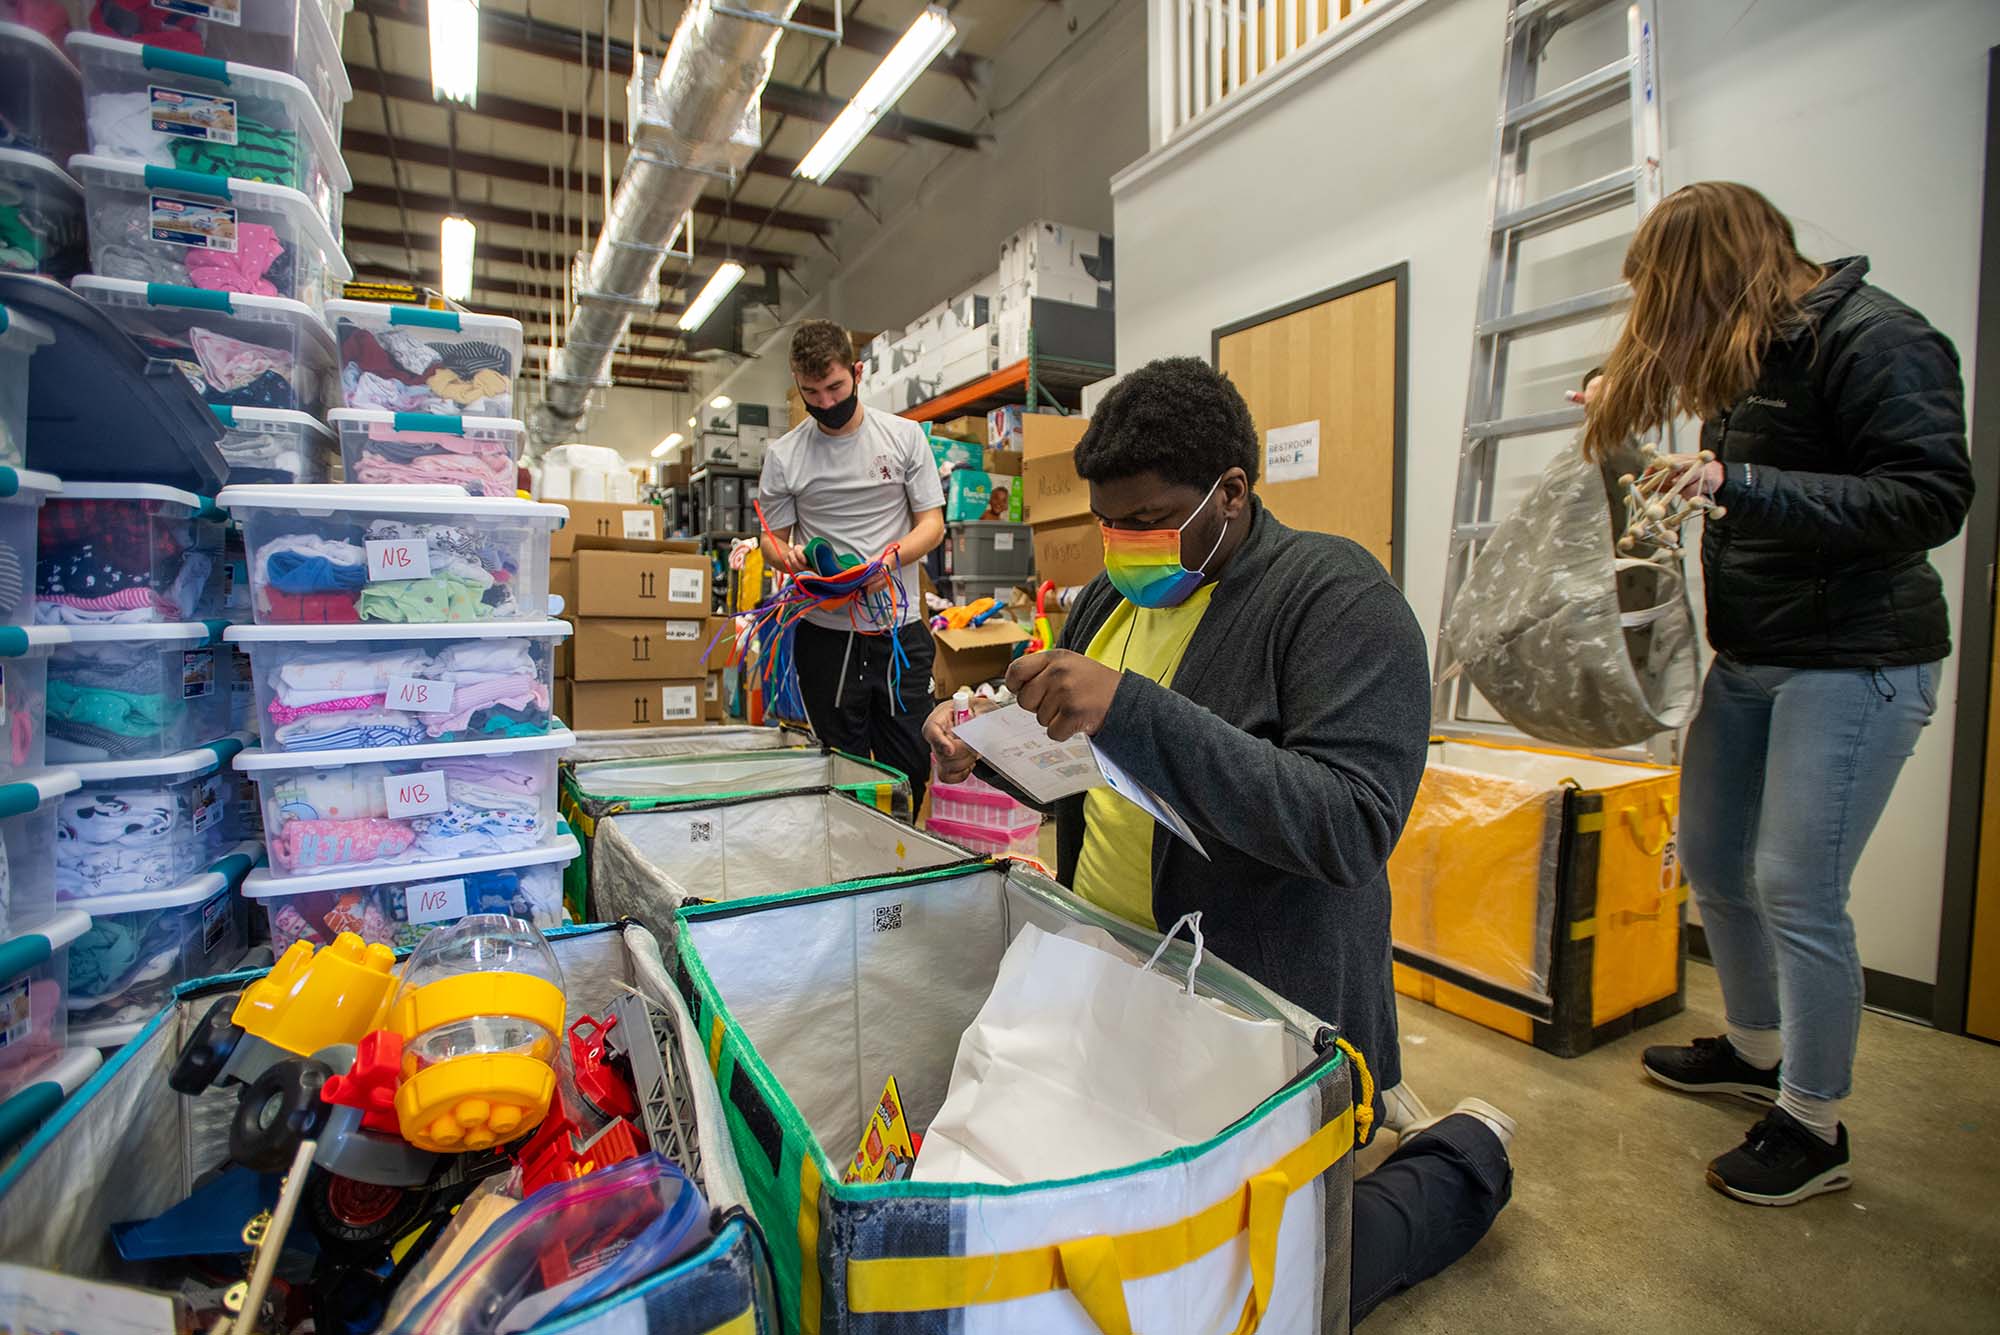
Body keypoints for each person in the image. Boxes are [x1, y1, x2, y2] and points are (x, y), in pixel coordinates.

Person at [924, 356, 1512, 1320]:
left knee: (1248, 1283)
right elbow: (1093, 767)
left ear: (1231, 492)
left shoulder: (1335, 599)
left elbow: (1349, 821)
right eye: (1108, 523)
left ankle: (1462, 1156)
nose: (1121, 545)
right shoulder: (1112, 599)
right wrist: (985, 745)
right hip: (1114, 974)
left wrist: (1130, 706)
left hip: (1248, 1000)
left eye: (1146, 522)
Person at [1577, 182, 1973, 1207]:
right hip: (1752, 657)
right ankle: (1752, 1049)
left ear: (1715, 273)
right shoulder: (1750, 352)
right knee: (1711, 860)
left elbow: (1929, 497)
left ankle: (1811, 1120)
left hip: (1855, 661)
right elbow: (1683, 413)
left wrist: (1732, 484)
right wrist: (1608, 402)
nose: (1667, 326)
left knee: (1796, 887)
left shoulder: (1880, 340)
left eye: (1669, 300)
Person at [760, 320, 946, 808]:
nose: (824, 402)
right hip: (826, 637)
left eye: (835, 387)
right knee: (840, 773)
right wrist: (792, 559)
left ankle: (899, 862)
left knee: (907, 769)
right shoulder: (784, 456)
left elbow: (932, 525)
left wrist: (889, 560)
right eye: (811, 392)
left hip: (897, 632)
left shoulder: (903, 438)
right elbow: (771, 542)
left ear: (858, 372)